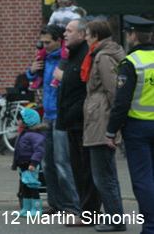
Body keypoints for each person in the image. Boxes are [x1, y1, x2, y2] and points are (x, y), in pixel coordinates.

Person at [26, 25, 80, 216]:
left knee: (62, 162)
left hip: (61, 116)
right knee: (47, 162)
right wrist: (31, 71)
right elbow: (35, 78)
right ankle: (56, 204)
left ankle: (72, 205)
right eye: (43, 42)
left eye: (48, 42)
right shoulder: (45, 58)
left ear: (59, 41)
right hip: (47, 115)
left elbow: (75, 82)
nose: (45, 46)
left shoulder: (65, 59)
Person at [106, 15, 154, 233]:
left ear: (133, 35)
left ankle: (151, 226)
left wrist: (111, 131)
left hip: (138, 129)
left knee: (143, 179)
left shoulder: (131, 63)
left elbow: (121, 102)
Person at [81, 19, 126, 232]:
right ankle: (115, 217)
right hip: (100, 117)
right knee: (106, 173)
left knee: (103, 175)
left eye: (88, 34)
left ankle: (115, 219)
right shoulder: (105, 53)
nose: (86, 37)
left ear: (96, 36)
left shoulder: (102, 57)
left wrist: (112, 123)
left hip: (100, 119)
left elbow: (114, 90)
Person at [57, 18, 100, 226]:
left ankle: (91, 213)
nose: (64, 34)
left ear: (82, 35)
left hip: (83, 122)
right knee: (77, 168)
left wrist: (72, 113)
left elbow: (86, 91)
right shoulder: (72, 56)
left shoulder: (85, 56)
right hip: (71, 123)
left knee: (86, 170)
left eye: (69, 30)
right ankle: (85, 211)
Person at [11, 108, 48, 217]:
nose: (19, 122)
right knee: (25, 187)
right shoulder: (25, 134)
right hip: (23, 165)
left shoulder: (35, 136)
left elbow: (39, 151)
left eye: (21, 120)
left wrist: (34, 163)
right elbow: (18, 151)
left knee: (32, 186)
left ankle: (36, 208)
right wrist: (15, 164)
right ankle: (26, 208)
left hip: (30, 165)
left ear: (28, 121)